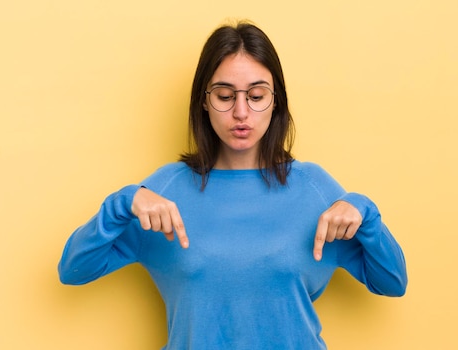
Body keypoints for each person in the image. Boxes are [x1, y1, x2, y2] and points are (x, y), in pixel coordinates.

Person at [58, 20, 407, 350]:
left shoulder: (315, 188)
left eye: (256, 96)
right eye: (225, 96)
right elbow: (73, 269)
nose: (241, 112)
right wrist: (122, 203)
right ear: (204, 102)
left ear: (276, 102)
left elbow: (392, 282)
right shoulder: (164, 192)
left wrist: (365, 212)